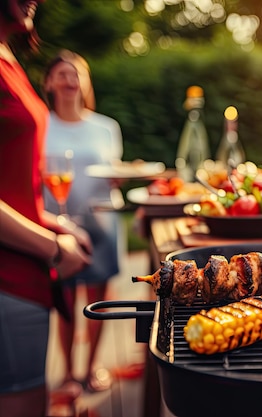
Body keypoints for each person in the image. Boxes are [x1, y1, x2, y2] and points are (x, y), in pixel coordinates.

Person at [0, 1, 92, 416]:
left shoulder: (8, 57)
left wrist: (55, 224)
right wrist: (51, 248)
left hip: (25, 272)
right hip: (7, 279)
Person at [42, 50, 124, 394]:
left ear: (85, 83)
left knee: (98, 301)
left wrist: (118, 178)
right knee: (63, 301)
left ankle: (91, 368)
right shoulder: (41, 123)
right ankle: (68, 372)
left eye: (75, 74)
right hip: (57, 225)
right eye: (61, 74)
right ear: (49, 82)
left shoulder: (106, 127)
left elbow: (114, 171)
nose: (69, 79)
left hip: (102, 221)